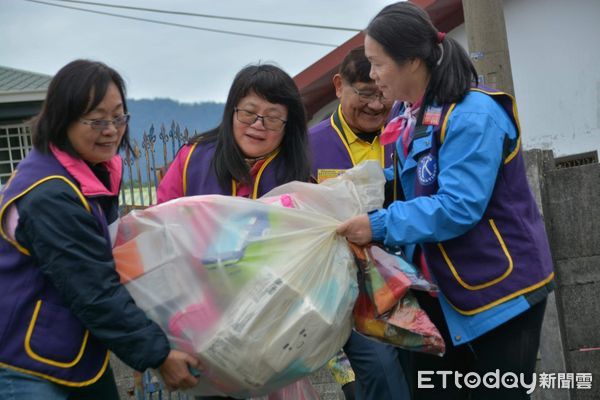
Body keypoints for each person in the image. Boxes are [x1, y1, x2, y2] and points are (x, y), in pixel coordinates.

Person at [336, 3, 555, 399]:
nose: (371, 75)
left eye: (377, 63)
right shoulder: (408, 112)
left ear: (413, 61)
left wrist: (379, 223)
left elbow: (457, 206)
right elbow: (413, 182)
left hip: (499, 293)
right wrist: (352, 192)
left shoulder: (473, 114)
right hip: (441, 292)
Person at [0, 60, 201, 400]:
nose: (111, 129)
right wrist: (158, 354)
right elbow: (92, 287)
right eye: (96, 119)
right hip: (27, 362)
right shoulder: (50, 192)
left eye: (119, 117)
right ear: (63, 119)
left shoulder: (89, 174)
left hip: (72, 353)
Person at [157, 63, 311, 399]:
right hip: (201, 327)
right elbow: (159, 229)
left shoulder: (298, 173)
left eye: (272, 117)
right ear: (231, 112)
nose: (257, 125)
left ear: (288, 125)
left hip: (274, 329)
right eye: (249, 113)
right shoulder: (193, 158)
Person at [309, 46, 410, 400]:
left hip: (415, 292)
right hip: (347, 302)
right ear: (339, 86)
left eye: (383, 94)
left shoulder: (407, 135)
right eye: (364, 94)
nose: (376, 105)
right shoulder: (310, 147)